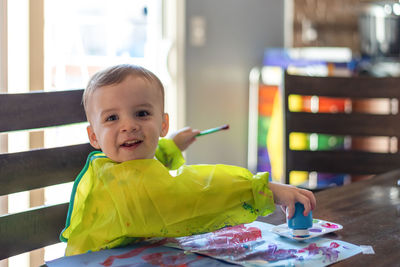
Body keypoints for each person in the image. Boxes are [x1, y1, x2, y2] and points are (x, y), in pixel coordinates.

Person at [60, 64, 316, 256]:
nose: (129, 126)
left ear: (163, 124)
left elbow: (146, 164)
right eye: (112, 118)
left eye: (141, 113)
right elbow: (194, 192)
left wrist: (172, 147)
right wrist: (263, 189)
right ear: (94, 136)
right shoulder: (123, 186)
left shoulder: (111, 168)